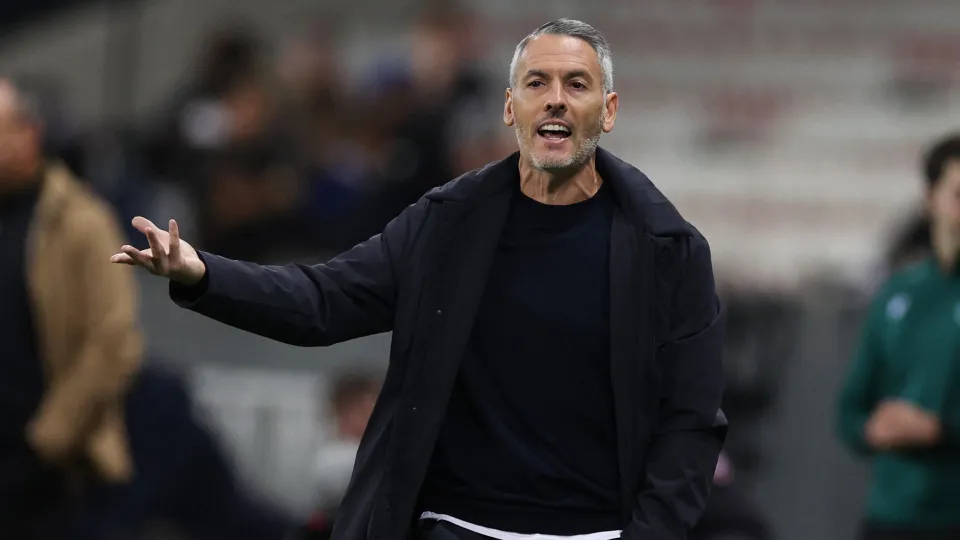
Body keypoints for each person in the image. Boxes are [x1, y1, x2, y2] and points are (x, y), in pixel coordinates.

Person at [113, 19, 727, 540]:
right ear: (510, 107)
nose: (555, 100)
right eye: (537, 83)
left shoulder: (668, 252)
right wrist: (202, 273)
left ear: (609, 111)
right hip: (454, 527)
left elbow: (690, 421)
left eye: (577, 84)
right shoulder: (446, 225)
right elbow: (323, 301)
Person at [0, 79, 144, 538]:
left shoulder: (80, 222)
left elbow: (114, 342)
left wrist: (46, 440)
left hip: (48, 468)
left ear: (28, 133)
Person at [837, 133, 960, 540]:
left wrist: (939, 429)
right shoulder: (898, 293)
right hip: (891, 516)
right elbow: (850, 408)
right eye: (959, 194)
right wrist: (873, 428)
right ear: (930, 199)